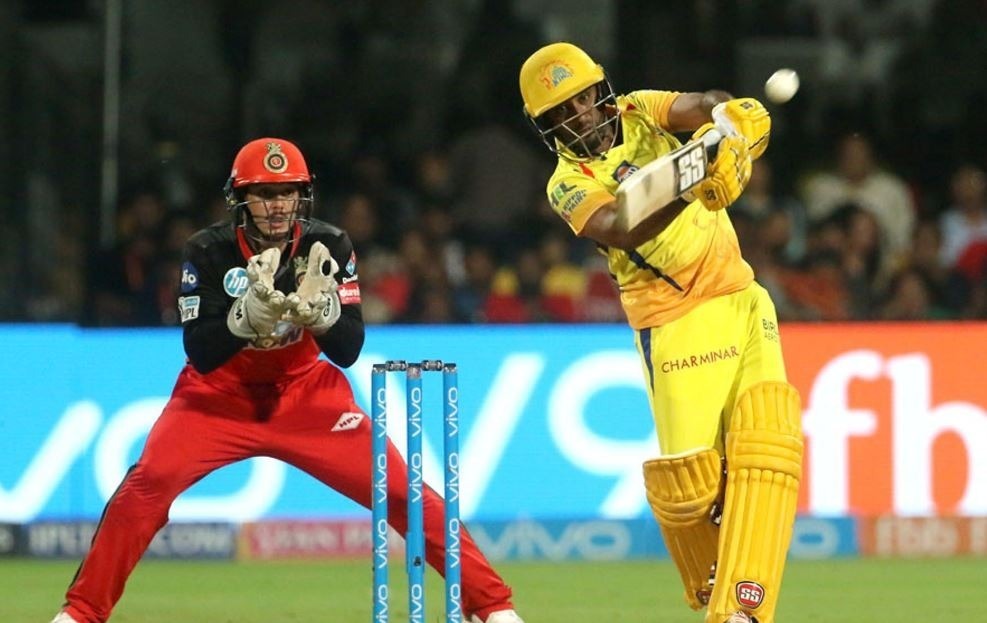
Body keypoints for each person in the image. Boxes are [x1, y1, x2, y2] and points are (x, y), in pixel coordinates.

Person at [50, 138, 523, 623]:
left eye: (287, 193)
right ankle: (81, 613)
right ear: (240, 199)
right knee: (146, 487)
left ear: (302, 196)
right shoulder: (207, 250)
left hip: (306, 395)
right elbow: (201, 352)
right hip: (217, 398)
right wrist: (243, 320)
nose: (277, 206)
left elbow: (348, 349)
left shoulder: (330, 245)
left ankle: (493, 607)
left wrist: (323, 319)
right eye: (264, 194)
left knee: (402, 493)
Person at [519, 43, 804, 623]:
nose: (580, 117)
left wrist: (728, 121)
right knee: (691, 488)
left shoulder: (637, 109)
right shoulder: (566, 182)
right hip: (674, 320)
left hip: (741, 295)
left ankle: (742, 611)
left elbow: (701, 104)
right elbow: (619, 226)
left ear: (600, 92)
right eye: (561, 113)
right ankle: (709, 579)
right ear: (546, 127)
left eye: (583, 100)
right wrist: (694, 181)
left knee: (767, 445)